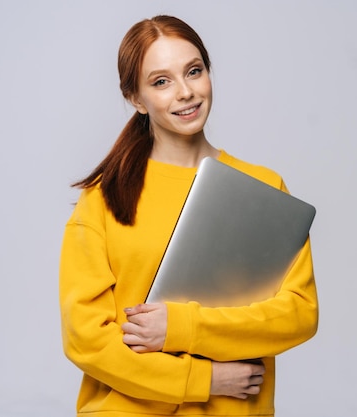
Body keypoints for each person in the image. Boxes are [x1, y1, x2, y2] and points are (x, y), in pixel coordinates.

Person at [59, 15, 318, 417]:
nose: (185, 92)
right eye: (161, 81)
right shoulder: (103, 198)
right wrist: (205, 380)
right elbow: (87, 339)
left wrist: (182, 327)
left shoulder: (264, 188)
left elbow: (299, 314)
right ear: (136, 98)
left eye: (193, 72)